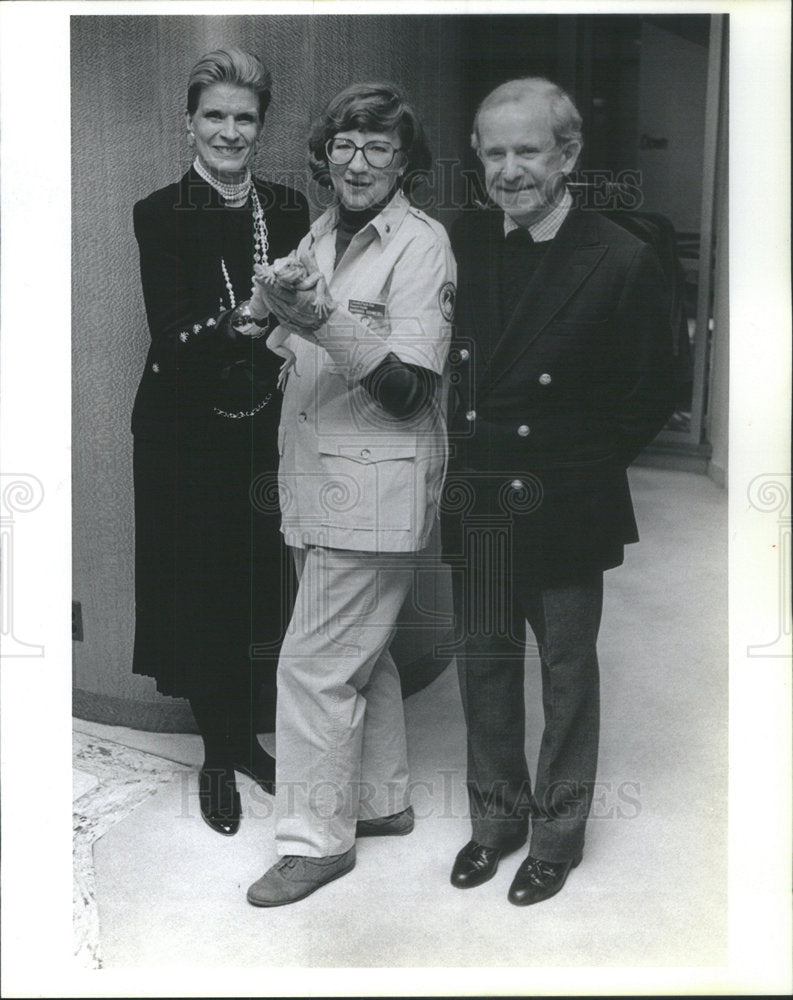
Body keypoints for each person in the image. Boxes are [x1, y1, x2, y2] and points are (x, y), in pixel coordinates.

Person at [442, 78, 677, 905]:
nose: (509, 170)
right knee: (485, 666)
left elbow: (653, 390)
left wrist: (576, 462)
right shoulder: (460, 240)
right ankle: (496, 822)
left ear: (568, 154)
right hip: (477, 496)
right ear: (477, 157)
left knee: (568, 675)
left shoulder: (618, 255)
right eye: (493, 152)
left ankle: (557, 836)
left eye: (527, 150)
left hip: (566, 500)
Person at [245, 82, 455, 907]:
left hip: (368, 495)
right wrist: (263, 312)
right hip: (315, 480)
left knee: (310, 670)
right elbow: (287, 335)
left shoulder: (422, 247)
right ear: (324, 156)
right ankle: (379, 801)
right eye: (343, 145)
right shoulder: (324, 230)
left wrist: (323, 315)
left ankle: (314, 842)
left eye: (378, 148)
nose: (357, 162)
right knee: (354, 658)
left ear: (405, 163)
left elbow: (409, 391)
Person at [131, 47, 309, 837]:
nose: (230, 132)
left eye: (245, 118)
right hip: (183, 428)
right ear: (189, 121)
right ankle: (218, 754)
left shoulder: (290, 205)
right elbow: (171, 335)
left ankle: (249, 739)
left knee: (255, 580)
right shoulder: (159, 213)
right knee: (198, 587)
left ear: (261, 126)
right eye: (216, 116)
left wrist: (284, 313)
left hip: (269, 416)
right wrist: (247, 319)